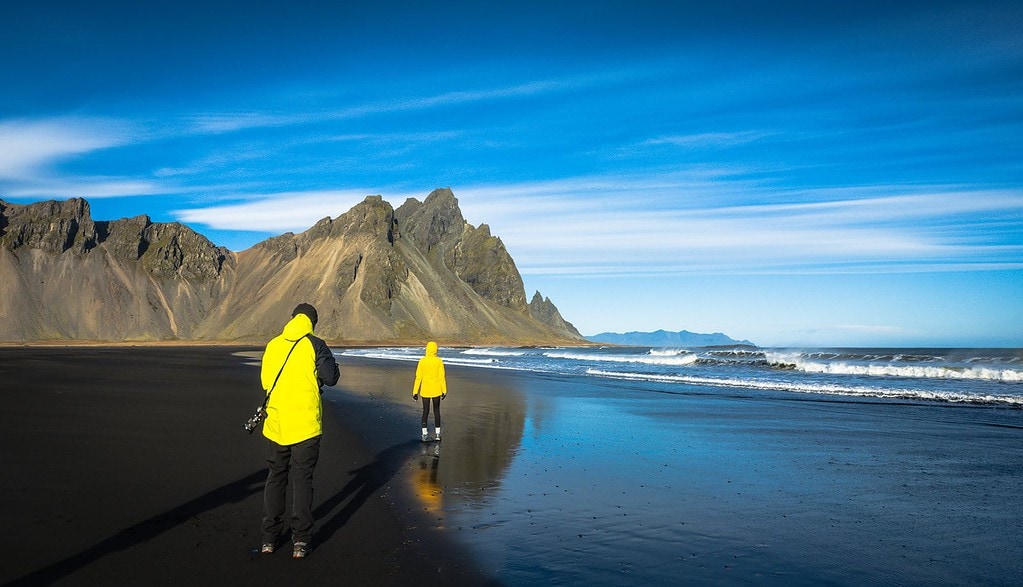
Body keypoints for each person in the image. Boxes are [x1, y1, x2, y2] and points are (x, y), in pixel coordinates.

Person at [259, 303, 340, 559]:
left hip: (276, 424)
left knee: (276, 478)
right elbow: (331, 377)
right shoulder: (316, 344)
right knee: (302, 481)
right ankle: (300, 542)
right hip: (305, 425)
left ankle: (269, 539)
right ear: (312, 322)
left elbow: (265, 381)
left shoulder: (273, 345)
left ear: (292, 318)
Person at [412, 341, 447, 442]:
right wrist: (444, 390)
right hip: (436, 389)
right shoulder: (439, 361)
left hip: (425, 390)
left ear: (427, 349)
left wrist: (415, 391)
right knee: (436, 411)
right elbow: (442, 377)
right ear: (435, 349)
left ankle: (424, 434)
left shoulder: (422, 361)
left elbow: (418, 377)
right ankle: (437, 434)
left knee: (425, 411)